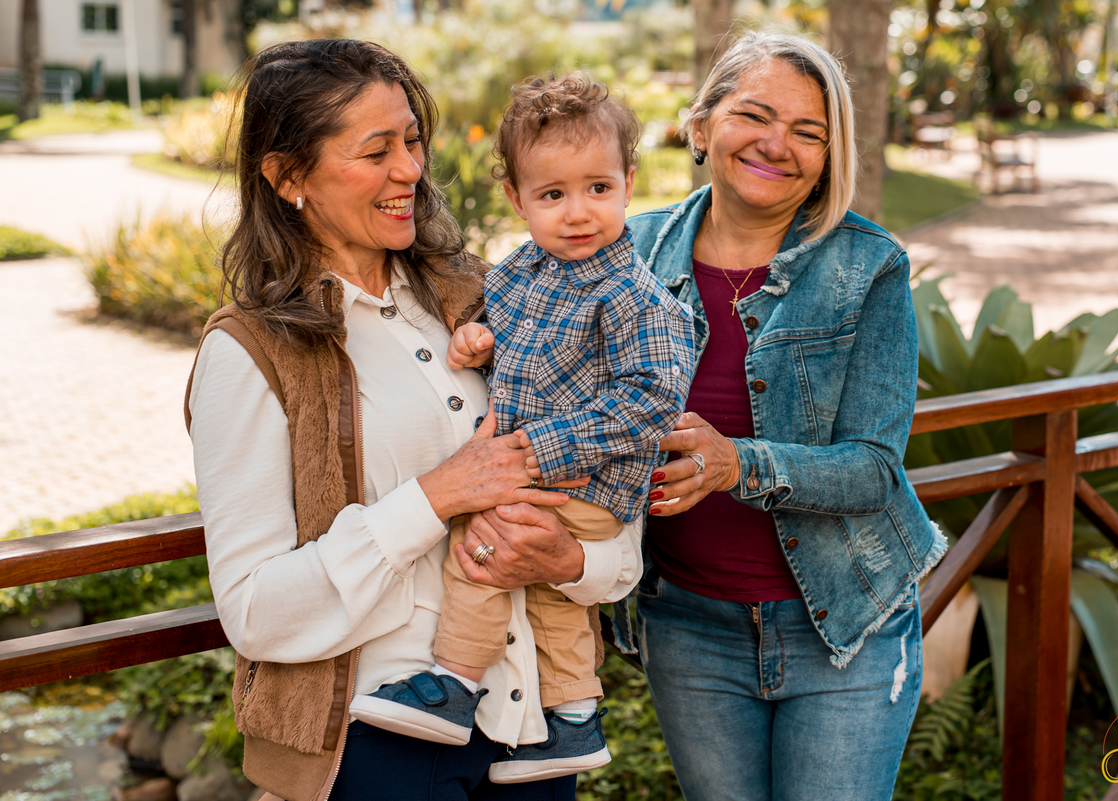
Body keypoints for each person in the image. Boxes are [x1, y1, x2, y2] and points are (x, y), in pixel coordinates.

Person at [185, 40, 643, 801]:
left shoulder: (490, 298)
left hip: (533, 733)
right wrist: (437, 496)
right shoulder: (250, 351)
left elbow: (606, 491)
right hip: (377, 741)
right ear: (287, 176)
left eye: (412, 140)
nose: (410, 170)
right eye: (376, 151)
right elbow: (256, 612)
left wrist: (574, 562)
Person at [620, 32, 948, 800]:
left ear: (830, 158)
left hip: (844, 627)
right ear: (701, 124)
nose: (777, 144)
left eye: (808, 131)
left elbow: (873, 468)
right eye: (755, 115)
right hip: (690, 626)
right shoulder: (630, 253)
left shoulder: (868, 265)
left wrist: (737, 464)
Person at [350, 73, 694, 784]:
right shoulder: (520, 273)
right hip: (548, 476)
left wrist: (540, 448)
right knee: (546, 593)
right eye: (553, 195)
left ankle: (453, 683)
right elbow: (520, 346)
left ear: (629, 183)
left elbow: (655, 398)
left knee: (482, 549)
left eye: (598, 188)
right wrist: (479, 340)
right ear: (516, 197)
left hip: (585, 478)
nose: (579, 212)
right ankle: (573, 719)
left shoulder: (634, 295)